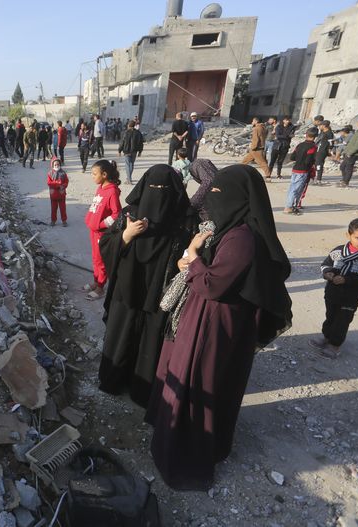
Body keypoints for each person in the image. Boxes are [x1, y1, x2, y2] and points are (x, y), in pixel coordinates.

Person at [146, 164, 292, 491]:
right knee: (188, 376)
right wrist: (193, 259)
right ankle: (176, 440)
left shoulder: (241, 238)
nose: (213, 199)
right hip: (205, 316)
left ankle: (187, 455)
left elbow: (213, 285)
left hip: (214, 322)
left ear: (241, 198)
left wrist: (193, 258)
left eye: (218, 193)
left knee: (199, 381)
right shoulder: (230, 228)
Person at [98, 165, 192, 407]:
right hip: (127, 290)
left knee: (152, 341)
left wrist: (186, 261)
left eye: (164, 189)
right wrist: (127, 236)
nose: (158, 193)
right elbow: (106, 244)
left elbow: (193, 253)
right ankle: (113, 380)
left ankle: (143, 390)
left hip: (160, 293)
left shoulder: (183, 221)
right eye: (153, 188)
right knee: (122, 334)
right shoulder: (130, 214)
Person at [309, 218, 358, 358]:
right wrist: (328, 273)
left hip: (352, 297)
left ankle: (335, 344)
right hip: (332, 292)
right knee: (330, 315)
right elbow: (325, 264)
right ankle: (327, 336)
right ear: (348, 235)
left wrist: (347, 279)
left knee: (343, 319)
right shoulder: (338, 251)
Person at [84, 159, 122, 296]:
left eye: (95, 174)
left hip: (102, 233)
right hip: (94, 231)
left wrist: (102, 225)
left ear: (104, 174)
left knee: (101, 260)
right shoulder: (100, 188)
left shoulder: (112, 191)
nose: (92, 177)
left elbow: (117, 213)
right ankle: (96, 281)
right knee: (95, 258)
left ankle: (100, 287)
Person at [284, 128, 318, 215]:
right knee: (296, 189)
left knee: (292, 188)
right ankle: (289, 207)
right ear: (315, 137)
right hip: (303, 171)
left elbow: (292, 157)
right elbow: (308, 161)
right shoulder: (313, 147)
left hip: (295, 169)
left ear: (306, 135)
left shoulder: (299, 145)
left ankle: (291, 205)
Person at [339, 118, 358, 187]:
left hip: (353, 153)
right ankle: (344, 180)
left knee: (348, 167)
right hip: (349, 152)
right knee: (343, 166)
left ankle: (345, 182)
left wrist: (351, 152)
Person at [47, 158, 69, 227]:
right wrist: (57, 184)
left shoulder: (63, 173)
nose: (57, 165)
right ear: (52, 165)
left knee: (63, 208)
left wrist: (63, 186)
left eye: (58, 164)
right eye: (55, 164)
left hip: (61, 194)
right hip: (53, 194)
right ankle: (53, 220)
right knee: (53, 209)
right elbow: (49, 182)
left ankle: (64, 220)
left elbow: (66, 181)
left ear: (60, 164)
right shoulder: (50, 173)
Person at [314, 120, 333, 185]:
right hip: (318, 150)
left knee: (319, 164)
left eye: (320, 125)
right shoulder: (322, 132)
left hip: (323, 151)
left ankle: (319, 179)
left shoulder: (329, 133)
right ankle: (315, 177)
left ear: (324, 126)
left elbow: (331, 143)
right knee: (316, 164)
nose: (319, 127)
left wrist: (329, 150)